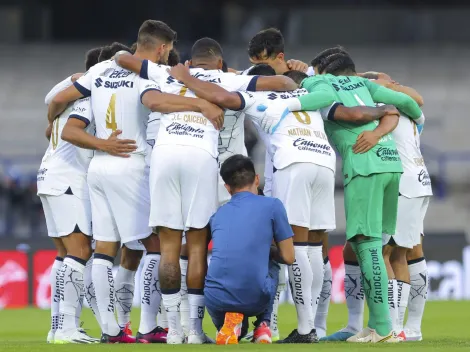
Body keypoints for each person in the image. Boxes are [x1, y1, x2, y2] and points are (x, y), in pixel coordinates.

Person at [115, 37, 298, 344]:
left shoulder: (166, 73)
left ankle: (174, 329)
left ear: (190, 60)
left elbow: (122, 57)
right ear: (219, 61)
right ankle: (199, 330)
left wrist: (183, 76)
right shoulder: (231, 78)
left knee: (170, 246)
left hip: (164, 154)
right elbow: (285, 83)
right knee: (199, 244)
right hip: (201, 158)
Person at [54, 19, 223, 344]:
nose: (167, 57)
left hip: (100, 167)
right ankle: (150, 325)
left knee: (104, 249)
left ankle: (111, 329)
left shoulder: (100, 71)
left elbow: (59, 100)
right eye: (168, 51)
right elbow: (155, 102)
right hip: (131, 162)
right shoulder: (142, 74)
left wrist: (92, 139)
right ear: (161, 48)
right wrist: (200, 103)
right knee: (160, 245)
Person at [267, 52, 426, 343]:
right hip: (392, 165)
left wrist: (287, 103)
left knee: (367, 246)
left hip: (364, 166)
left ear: (325, 70)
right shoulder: (365, 86)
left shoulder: (321, 83)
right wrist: (396, 124)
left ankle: (381, 328)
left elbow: (322, 99)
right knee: (376, 245)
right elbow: (406, 104)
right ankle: (379, 324)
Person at [39, 48, 100, 344]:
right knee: (79, 252)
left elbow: (50, 98)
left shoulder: (65, 98)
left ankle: (57, 327)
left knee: (64, 256)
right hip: (67, 182)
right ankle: (67, 329)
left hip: (49, 177)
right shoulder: (88, 99)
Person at [205, 155, 294, 345]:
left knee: (238, 330)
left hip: (214, 299)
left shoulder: (218, 214)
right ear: (257, 179)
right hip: (255, 297)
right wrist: (267, 250)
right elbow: (289, 256)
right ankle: (263, 324)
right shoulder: (273, 205)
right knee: (271, 261)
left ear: (227, 188)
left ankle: (233, 323)